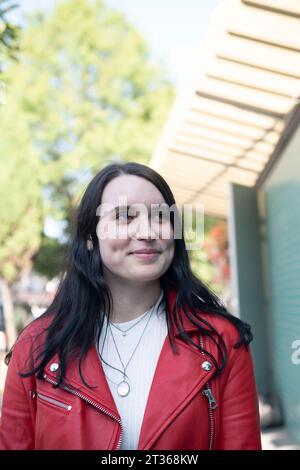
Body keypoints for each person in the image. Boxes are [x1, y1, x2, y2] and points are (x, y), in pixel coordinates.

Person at [0, 162, 261, 450]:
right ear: (90, 237)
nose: (147, 231)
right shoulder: (36, 346)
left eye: (160, 216)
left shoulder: (222, 342)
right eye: (125, 216)